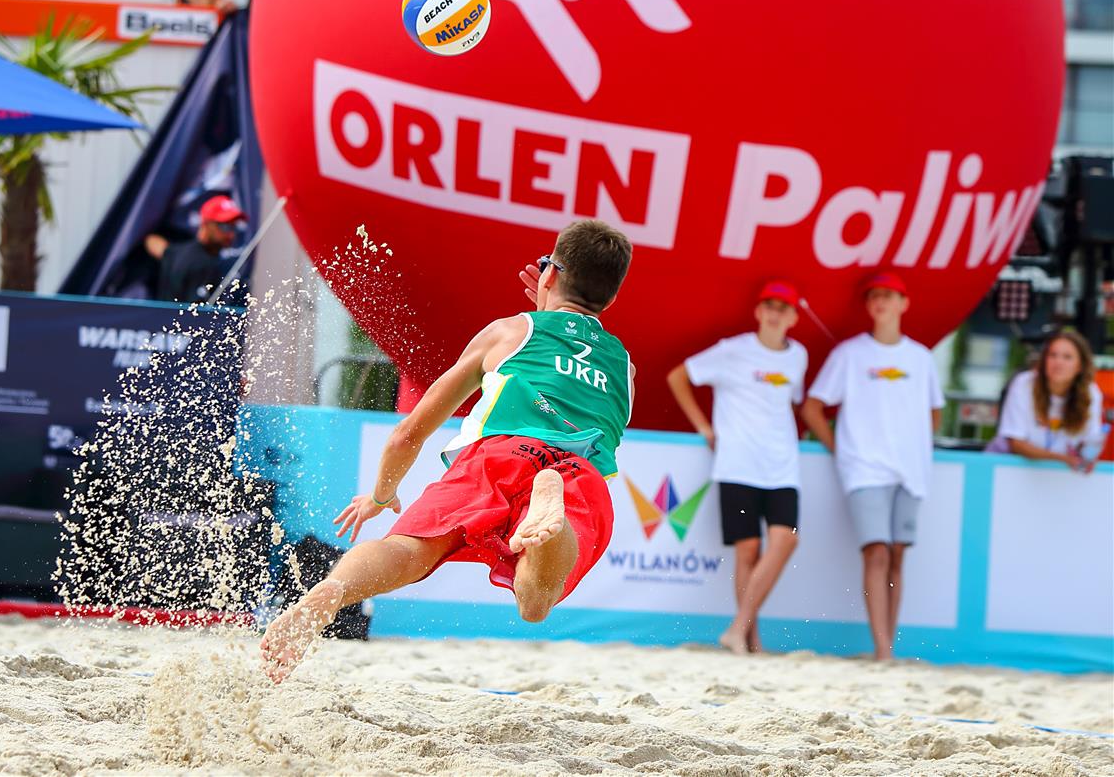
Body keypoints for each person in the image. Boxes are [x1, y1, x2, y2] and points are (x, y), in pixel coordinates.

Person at [260, 220, 635, 683]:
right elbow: (572, 358)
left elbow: (408, 434)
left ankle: (334, 590)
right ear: (611, 299)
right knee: (535, 601)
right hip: (578, 471)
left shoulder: (509, 332)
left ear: (551, 275)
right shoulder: (626, 368)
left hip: (499, 456)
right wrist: (552, 310)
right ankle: (547, 505)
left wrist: (380, 496)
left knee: (408, 551)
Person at [801, 272, 944, 661]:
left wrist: (913, 445)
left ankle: (888, 646)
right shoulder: (850, 354)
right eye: (874, 296)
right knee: (876, 552)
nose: (880, 302)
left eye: (888, 295)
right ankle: (882, 649)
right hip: (864, 469)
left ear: (904, 303)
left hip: (910, 471)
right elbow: (812, 407)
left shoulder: (920, 357)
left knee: (897, 555)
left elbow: (934, 413)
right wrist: (841, 450)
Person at [667, 280, 807, 655]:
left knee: (786, 540)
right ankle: (749, 638)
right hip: (737, 463)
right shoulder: (733, 350)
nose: (775, 313)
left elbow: (791, 401)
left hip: (783, 466)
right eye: (770, 306)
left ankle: (737, 628)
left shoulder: (799, 356)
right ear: (758, 312)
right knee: (748, 550)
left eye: (783, 308)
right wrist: (703, 426)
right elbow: (678, 376)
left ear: (794, 317)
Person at [986, 330, 1106, 471]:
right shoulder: (1024, 384)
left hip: (1055, 472)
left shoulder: (1091, 393)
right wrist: (1062, 459)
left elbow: (1090, 442)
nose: (1058, 362)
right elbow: (1016, 443)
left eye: (1067, 357)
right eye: (1052, 355)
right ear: (1044, 361)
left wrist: (1085, 458)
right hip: (1007, 466)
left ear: (1080, 366)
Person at [144, 194, 244, 303]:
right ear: (206, 224)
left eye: (234, 227)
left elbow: (153, 243)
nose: (231, 234)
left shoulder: (178, 252)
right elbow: (195, 311)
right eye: (225, 227)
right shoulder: (202, 264)